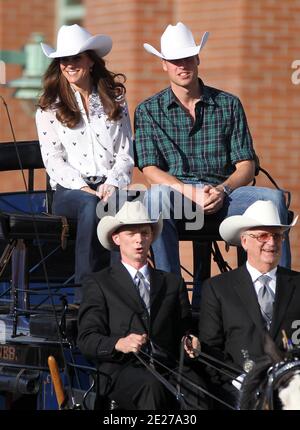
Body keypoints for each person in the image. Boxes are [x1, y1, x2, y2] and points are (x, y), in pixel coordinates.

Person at [134, 22, 291, 308]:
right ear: (164, 65)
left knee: (274, 199)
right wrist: (189, 192)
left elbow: (246, 165)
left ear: (197, 59)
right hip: (178, 196)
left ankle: (279, 298)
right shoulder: (147, 110)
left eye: (187, 58)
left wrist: (222, 189)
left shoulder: (228, 103)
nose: (182, 65)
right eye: (175, 60)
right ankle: (171, 300)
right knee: (155, 197)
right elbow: (149, 169)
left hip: (225, 194)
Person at [77, 201, 209, 410]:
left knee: (198, 388)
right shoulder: (99, 283)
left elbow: (183, 330)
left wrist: (189, 340)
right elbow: (86, 339)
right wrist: (119, 343)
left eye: (144, 233)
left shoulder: (172, 282)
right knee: (152, 387)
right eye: (131, 233)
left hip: (168, 366)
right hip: (120, 371)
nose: (139, 239)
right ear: (116, 238)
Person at [36, 24, 134, 303]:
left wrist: (113, 183)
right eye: (64, 60)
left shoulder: (115, 100)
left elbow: (126, 151)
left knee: (127, 208)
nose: (69, 65)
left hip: (110, 185)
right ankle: (86, 293)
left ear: (90, 61)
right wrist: (83, 187)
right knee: (92, 205)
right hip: (70, 191)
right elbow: (53, 160)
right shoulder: (49, 107)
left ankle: (123, 295)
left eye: (76, 58)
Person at [198, 200, 299, 407]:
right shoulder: (218, 288)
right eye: (263, 235)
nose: (271, 242)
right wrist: (242, 382)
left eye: (277, 236)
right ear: (244, 241)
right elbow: (210, 349)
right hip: (237, 390)